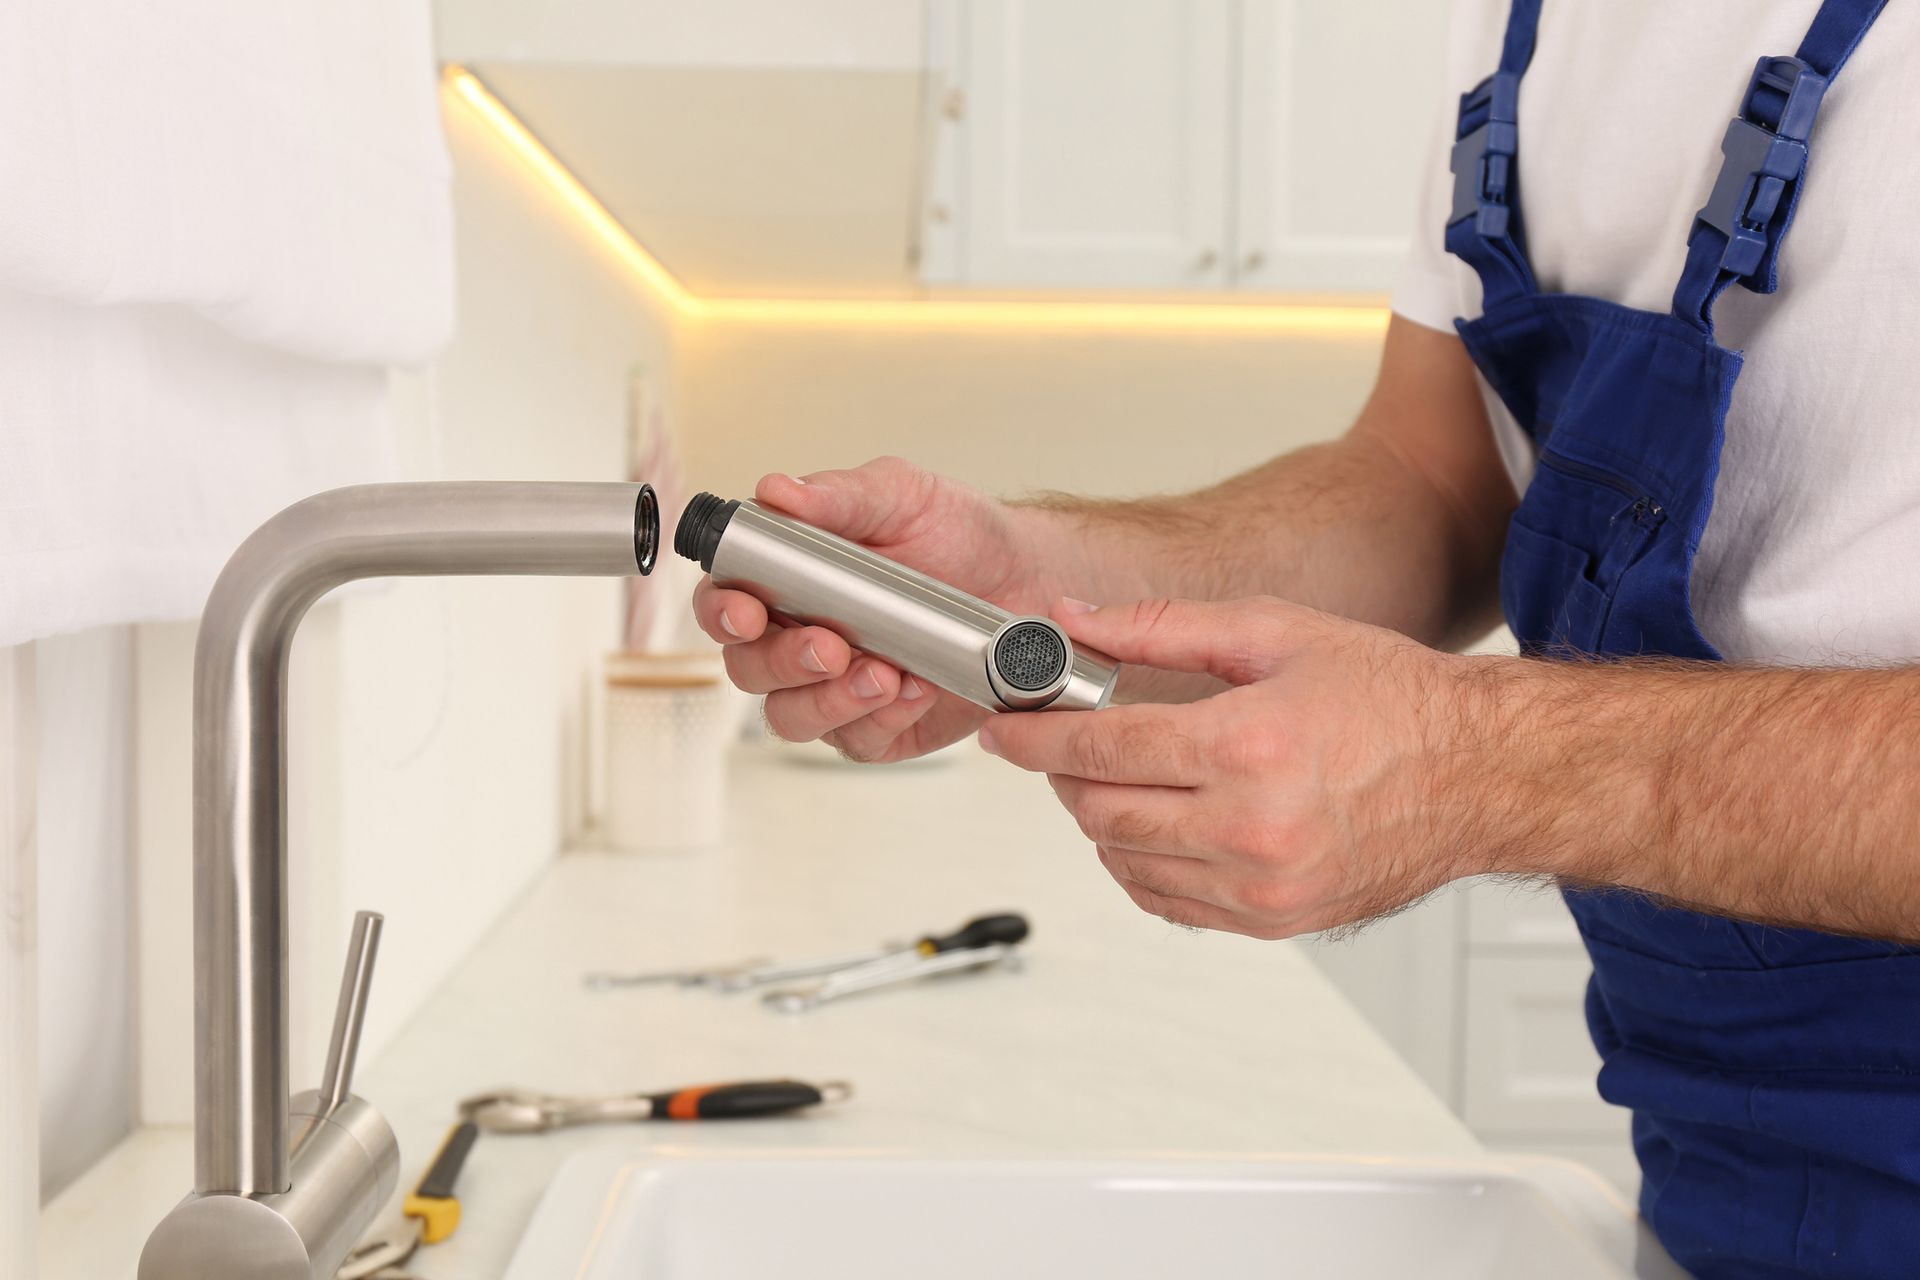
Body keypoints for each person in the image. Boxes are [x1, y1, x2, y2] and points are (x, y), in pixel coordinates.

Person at [691, 1, 1919, 1275]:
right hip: (1716, 1177)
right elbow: (1434, 481)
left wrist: (1480, 762)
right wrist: (1040, 583)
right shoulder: (1519, 29)